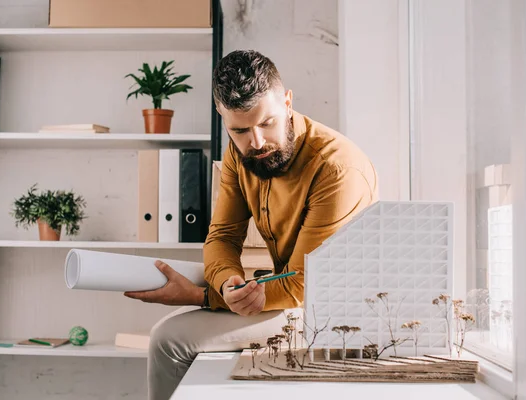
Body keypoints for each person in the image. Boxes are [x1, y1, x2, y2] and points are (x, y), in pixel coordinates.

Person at [123, 49, 379, 400]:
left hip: (339, 314)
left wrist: (203, 295)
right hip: (298, 303)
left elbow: (306, 284)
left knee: (168, 339)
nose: (256, 142)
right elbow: (223, 235)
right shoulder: (239, 153)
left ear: (287, 102)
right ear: (222, 117)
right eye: (240, 130)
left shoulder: (336, 168)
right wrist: (227, 281)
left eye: (267, 123)